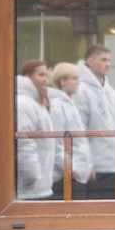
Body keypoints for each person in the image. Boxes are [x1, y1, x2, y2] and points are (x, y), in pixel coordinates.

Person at [73, 44, 115, 199]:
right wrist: (87, 164)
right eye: (103, 60)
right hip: (95, 167)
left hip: (113, 165)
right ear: (90, 61)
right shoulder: (81, 90)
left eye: (109, 60)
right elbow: (79, 129)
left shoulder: (110, 91)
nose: (108, 64)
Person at [47, 63, 93, 196]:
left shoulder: (71, 104)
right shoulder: (57, 107)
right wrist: (70, 168)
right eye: (74, 78)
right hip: (66, 177)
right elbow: (56, 143)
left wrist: (87, 166)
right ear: (63, 81)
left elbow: (80, 141)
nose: (78, 82)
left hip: (77, 174)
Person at [15, 61, 54, 200]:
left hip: (40, 187)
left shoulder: (36, 102)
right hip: (29, 190)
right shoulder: (23, 103)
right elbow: (23, 142)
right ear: (28, 76)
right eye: (41, 75)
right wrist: (32, 177)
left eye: (46, 75)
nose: (45, 79)